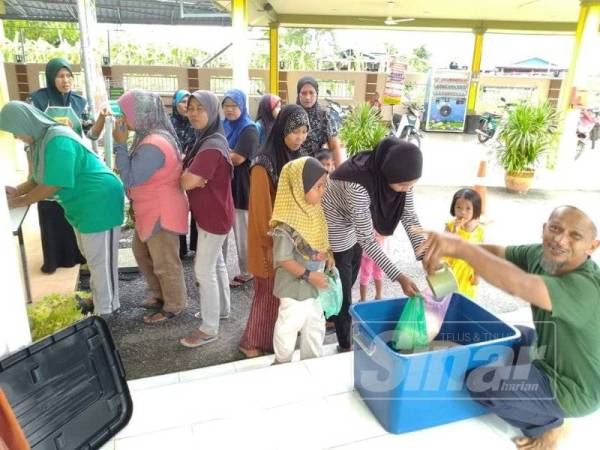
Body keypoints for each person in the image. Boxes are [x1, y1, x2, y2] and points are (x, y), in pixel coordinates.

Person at [419, 205, 600, 450]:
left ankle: (549, 425)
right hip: (550, 350)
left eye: (574, 236)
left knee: (480, 384)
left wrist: (459, 246)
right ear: (544, 229)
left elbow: (519, 284)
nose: (560, 239)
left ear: (592, 246)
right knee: (512, 335)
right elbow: (497, 253)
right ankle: (531, 393)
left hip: (573, 388)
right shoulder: (542, 255)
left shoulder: (584, 287)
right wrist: (450, 252)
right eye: (555, 228)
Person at [1, 101, 124, 316]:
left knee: (100, 262)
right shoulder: (42, 140)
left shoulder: (57, 141)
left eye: (15, 131)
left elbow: (53, 184)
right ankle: (100, 301)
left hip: (99, 201)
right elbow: (38, 178)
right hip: (84, 205)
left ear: (26, 123)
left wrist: (22, 200)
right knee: (93, 258)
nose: (16, 137)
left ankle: (106, 312)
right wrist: (17, 191)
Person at [322, 136, 425, 352]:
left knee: (351, 274)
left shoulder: (402, 174)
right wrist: (399, 277)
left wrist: (424, 254)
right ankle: (344, 344)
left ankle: (331, 313)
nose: (407, 189)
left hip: (357, 220)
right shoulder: (357, 184)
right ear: (388, 174)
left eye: (412, 185)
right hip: (335, 221)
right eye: (403, 185)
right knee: (343, 285)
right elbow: (367, 240)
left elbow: (409, 216)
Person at [239, 104, 310, 358]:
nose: (299, 137)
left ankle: (274, 341)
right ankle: (252, 343)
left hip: (291, 242)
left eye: (304, 131)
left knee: (282, 295)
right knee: (267, 294)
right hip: (269, 242)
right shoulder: (263, 164)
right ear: (281, 131)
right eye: (294, 132)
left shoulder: (299, 158)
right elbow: (260, 214)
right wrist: (272, 248)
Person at [114, 90, 189, 323]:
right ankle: (159, 294)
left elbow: (130, 178)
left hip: (160, 210)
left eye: (125, 114)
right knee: (142, 252)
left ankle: (174, 305)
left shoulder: (154, 143)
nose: (122, 120)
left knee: (165, 261)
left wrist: (119, 145)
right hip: (151, 208)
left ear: (140, 114)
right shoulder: (150, 136)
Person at [28, 57, 108, 274]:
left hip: (74, 166)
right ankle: (54, 259)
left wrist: (101, 118)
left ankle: (76, 256)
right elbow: (30, 136)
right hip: (49, 162)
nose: (65, 80)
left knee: (73, 210)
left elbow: (91, 133)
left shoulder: (79, 102)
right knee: (50, 207)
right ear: (50, 77)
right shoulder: (37, 101)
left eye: (68, 76)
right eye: (60, 76)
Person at [179, 91, 234, 347]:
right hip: (215, 213)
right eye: (191, 107)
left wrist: (187, 176)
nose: (194, 113)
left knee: (203, 270)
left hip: (214, 216)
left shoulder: (211, 146)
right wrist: (190, 175)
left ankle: (209, 328)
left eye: (200, 108)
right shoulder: (208, 138)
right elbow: (191, 178)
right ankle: (221, 310)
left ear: (212, 111)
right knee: (217, 264)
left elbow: (187, 181)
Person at [270, 157, 332, 363]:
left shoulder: (315, 212)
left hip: (313, 287)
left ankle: (312, 363)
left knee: (315, 326)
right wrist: (309, 275)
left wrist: (328, 255)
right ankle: (282, 363)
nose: (323, 190)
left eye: (324, 185)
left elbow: (320, 242)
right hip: (294, 289)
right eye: (318, 186)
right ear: (298, 188)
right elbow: (283, 259)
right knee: (288, 327)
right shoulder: (286, 224)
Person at [221, 89, 259, 288]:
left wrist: (222, 152)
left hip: (241, 185)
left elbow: (237, 159)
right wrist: (227, 152)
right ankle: (219, 270)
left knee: (242, 232)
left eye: (234, 106)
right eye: (226, 106)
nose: (230, 110)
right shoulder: (224, 124)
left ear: (242, 106)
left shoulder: (249, 128)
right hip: (224, 184)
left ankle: (248, 271)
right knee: (222, 231)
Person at [170, 89, 198, 259]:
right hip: (173, 170)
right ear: (175, 104)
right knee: (178, 207)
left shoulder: (195, 123)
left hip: (193, 169)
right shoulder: (169, 123)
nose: (187, 106)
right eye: (183, 102)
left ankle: (195, 245)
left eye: (190, 103)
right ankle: (180, 248)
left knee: (196, 206)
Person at [443, 188, 484, 299]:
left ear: (475, 210)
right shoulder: (450, 226)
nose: (462, 212)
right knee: (445, 299)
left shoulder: (479, 231)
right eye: (458, 207)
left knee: (464, 299)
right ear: (453, 208)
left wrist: (477, 275)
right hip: (449, 270)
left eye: (468, 208)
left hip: (466, 272)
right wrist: (455, 232)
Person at [296, 76, 344, 167]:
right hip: (293, 168)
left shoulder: (324, 116)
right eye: (304, 93)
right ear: (298, 94)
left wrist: (339, 174)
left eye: (311, 93)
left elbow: (334, 147)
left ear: (317, 94)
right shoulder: (291, 114)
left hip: (316, 169)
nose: (307, 97)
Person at [358, 231, 385, 301]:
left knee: (378, 273)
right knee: (365, 274)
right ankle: (362, 299)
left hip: (379, 251)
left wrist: (381, 237)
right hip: (366, 253)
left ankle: (378, 296)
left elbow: (388, 232)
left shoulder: (383, 222)